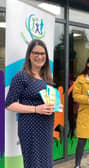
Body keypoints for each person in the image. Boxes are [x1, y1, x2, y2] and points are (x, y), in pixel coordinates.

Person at [5, 39, 55, 168]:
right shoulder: (22, 76)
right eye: (35, 53)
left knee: (45, 163)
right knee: (33, 164)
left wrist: (55, 106)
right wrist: (36, 109)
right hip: (30, 128)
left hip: (46, 127)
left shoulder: (47, 77)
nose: (39, 57)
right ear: (29, 55)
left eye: (42, 53)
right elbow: (9, 104)